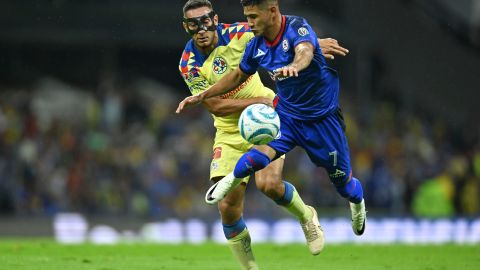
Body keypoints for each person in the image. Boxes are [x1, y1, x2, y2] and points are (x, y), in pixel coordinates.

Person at [176, 0, 367, 250]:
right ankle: (232, 188)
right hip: (253, 121)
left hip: (282, 117)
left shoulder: (240, 33)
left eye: (205, 21)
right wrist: (206, 96)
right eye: (194, 24)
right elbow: (218, 105)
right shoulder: (189, 63)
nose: (201, 29)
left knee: (277, 185)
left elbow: (293, 43)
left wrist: (312, 46)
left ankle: (316, 213)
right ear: (186, 27)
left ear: (214, 19)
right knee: (228, 207)